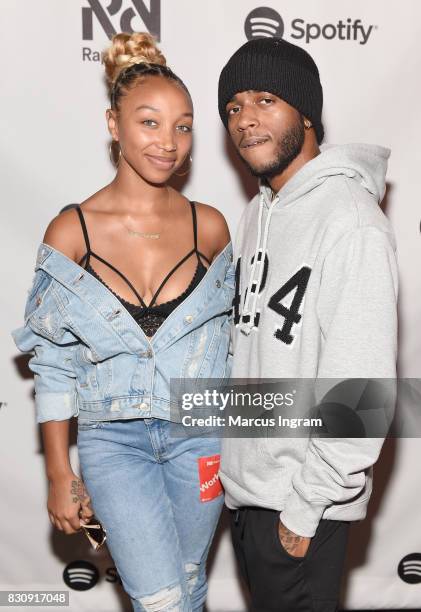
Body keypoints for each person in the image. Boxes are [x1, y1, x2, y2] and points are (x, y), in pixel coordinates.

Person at [12, 32, 233, 612]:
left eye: (183, 126)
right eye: (150, 123)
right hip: (115, 443)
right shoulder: (71, 233)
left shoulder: (211, 228)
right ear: (114, 125)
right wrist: (59, 473)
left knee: (186, 586)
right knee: (163, 599)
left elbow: (234, 345)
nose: (169, 142)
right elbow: (54, 363)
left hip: (201, 437)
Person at [217, 37, 398, 611]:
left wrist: (302, 511)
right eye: (233, 107)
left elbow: (363, 394)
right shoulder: (257, 212)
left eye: (265, 99)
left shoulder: (351, 222)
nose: (246, 120)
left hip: (301, 510)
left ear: (307, 113)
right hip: (250, 498)